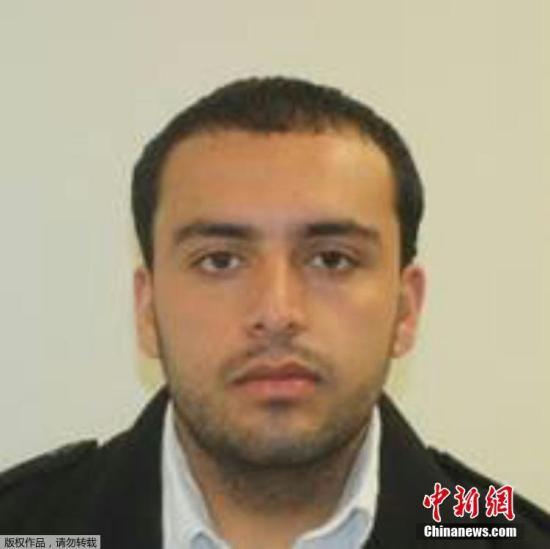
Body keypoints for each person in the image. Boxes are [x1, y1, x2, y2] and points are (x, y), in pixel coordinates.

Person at [0, 77, 548, 548]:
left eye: (332, 259)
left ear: (405, 310)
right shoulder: (23, 526)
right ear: (147, 308)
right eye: (219, 261)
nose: (277, 312)